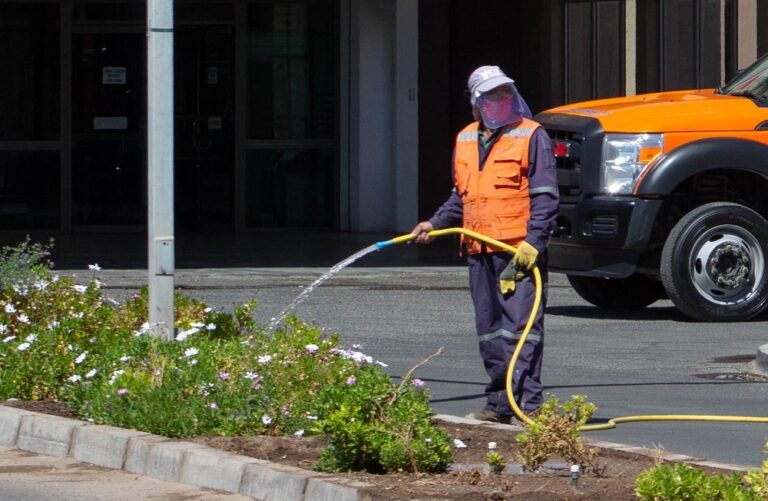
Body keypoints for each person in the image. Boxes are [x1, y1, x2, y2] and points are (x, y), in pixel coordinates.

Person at [411, 65, 558, 424]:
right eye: (492, 95)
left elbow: (546, 198)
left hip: (516, 253)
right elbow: (461, 197)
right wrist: (434, 223)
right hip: (478, 250)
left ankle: (528, 405)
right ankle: (499, 403)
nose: (501, 101)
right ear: (476, 102)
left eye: (505, 93)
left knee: (521, 330)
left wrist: (532, 245)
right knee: (490, 330)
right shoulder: (464, 139)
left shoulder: (530, 135)